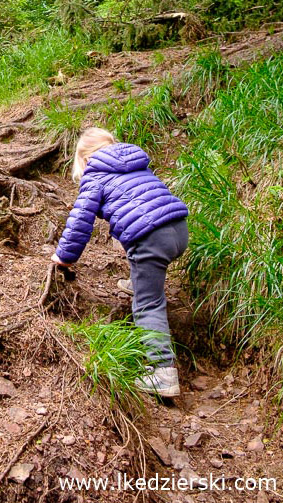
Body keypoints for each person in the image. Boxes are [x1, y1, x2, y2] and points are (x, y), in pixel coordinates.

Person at [53, 127, 189, 398]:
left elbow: (81, 220)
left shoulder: (96, 174)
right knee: (144, 260)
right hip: (178, 230)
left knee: (148, 304)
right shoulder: (137, 165)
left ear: (85, 158)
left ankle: (163, 374)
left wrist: (64, 256)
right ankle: (139, 282)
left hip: (151, 238)